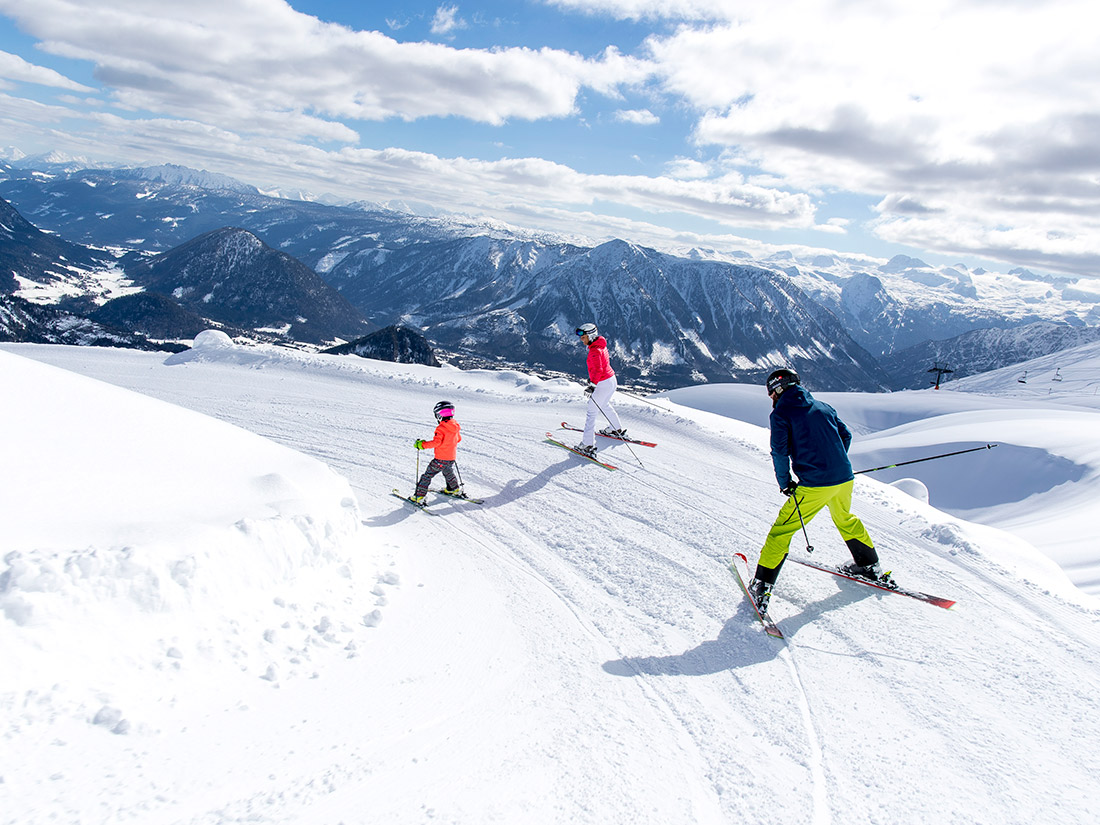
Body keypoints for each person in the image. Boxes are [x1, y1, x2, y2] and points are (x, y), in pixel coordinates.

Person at [748, 368, 885, 613]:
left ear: (778, 389)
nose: (772, 399)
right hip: (844, 479)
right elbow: (846, 435)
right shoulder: (824, 407)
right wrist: (833, 461)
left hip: (815, 485)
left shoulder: (781, 413)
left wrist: (785, 482)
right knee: (845, 519)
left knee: (782, 531)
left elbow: (779, 451)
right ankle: (869, 566)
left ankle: (761, 586)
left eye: (771, 394)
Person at [574, 322, 625, 458]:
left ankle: (587, 444)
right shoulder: (600, 345)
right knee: (604, 405)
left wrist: (592, 385)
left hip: (602, 383)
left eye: (583, 337)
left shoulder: (594, 351)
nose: (581, 339)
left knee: (591, 412)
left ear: (591, 335)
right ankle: (615, 428)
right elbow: (601, 367)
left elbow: (598, 369)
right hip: (611, 380)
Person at [410, 401, 462, 503]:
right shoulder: (455, 427)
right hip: (451, 458)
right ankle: (453, 489)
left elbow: (436, 442)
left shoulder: (441, 428)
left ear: (439, 415)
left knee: (427, 476)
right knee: (448, 472)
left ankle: (419, 496)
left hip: (440, 459)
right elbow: (458, 439)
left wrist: (422, 445)